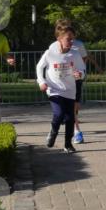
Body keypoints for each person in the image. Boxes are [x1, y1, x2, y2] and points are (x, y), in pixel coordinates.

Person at [36, 23, 85, 154]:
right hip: (54, 89)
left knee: (70, 119)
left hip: (70, 90)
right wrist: (41, 81)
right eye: (68, 39)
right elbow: (39, 67)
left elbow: (82, 69)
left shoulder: (75, 54)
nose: (71, 41)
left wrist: (80, 74)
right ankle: (53, 132)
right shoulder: (50, 53)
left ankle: (68, 145)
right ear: (59, 38)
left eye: (72, 38)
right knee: (58, 114)